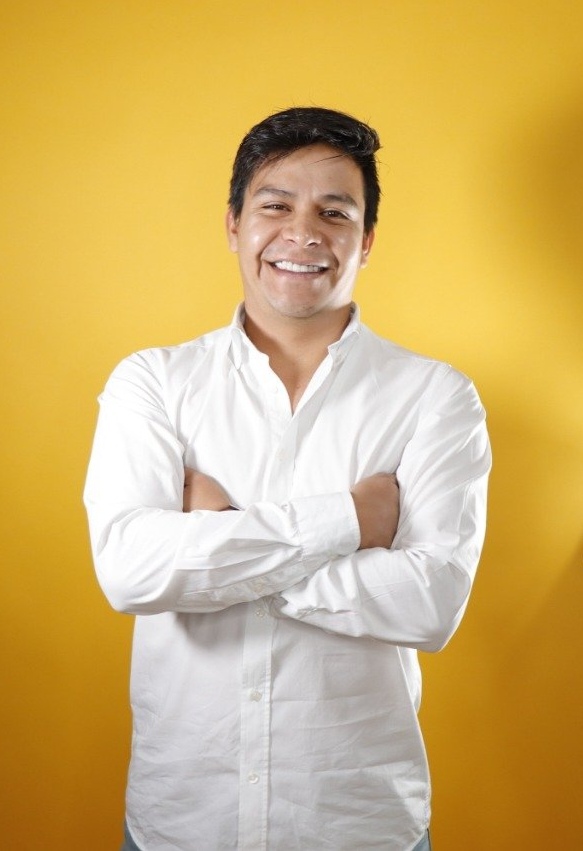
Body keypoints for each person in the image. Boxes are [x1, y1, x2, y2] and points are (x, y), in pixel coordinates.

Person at [84, 106, 491, 851]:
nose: (302, 234)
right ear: (233, 224)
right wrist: (348, 522)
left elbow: (430, 603)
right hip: (182, 821)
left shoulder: (435, 396)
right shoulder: (153, 383)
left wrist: (216, 536)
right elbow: (130, 571)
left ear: (366, 239)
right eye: (275, 206)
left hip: (359, 823)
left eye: (334, 213)